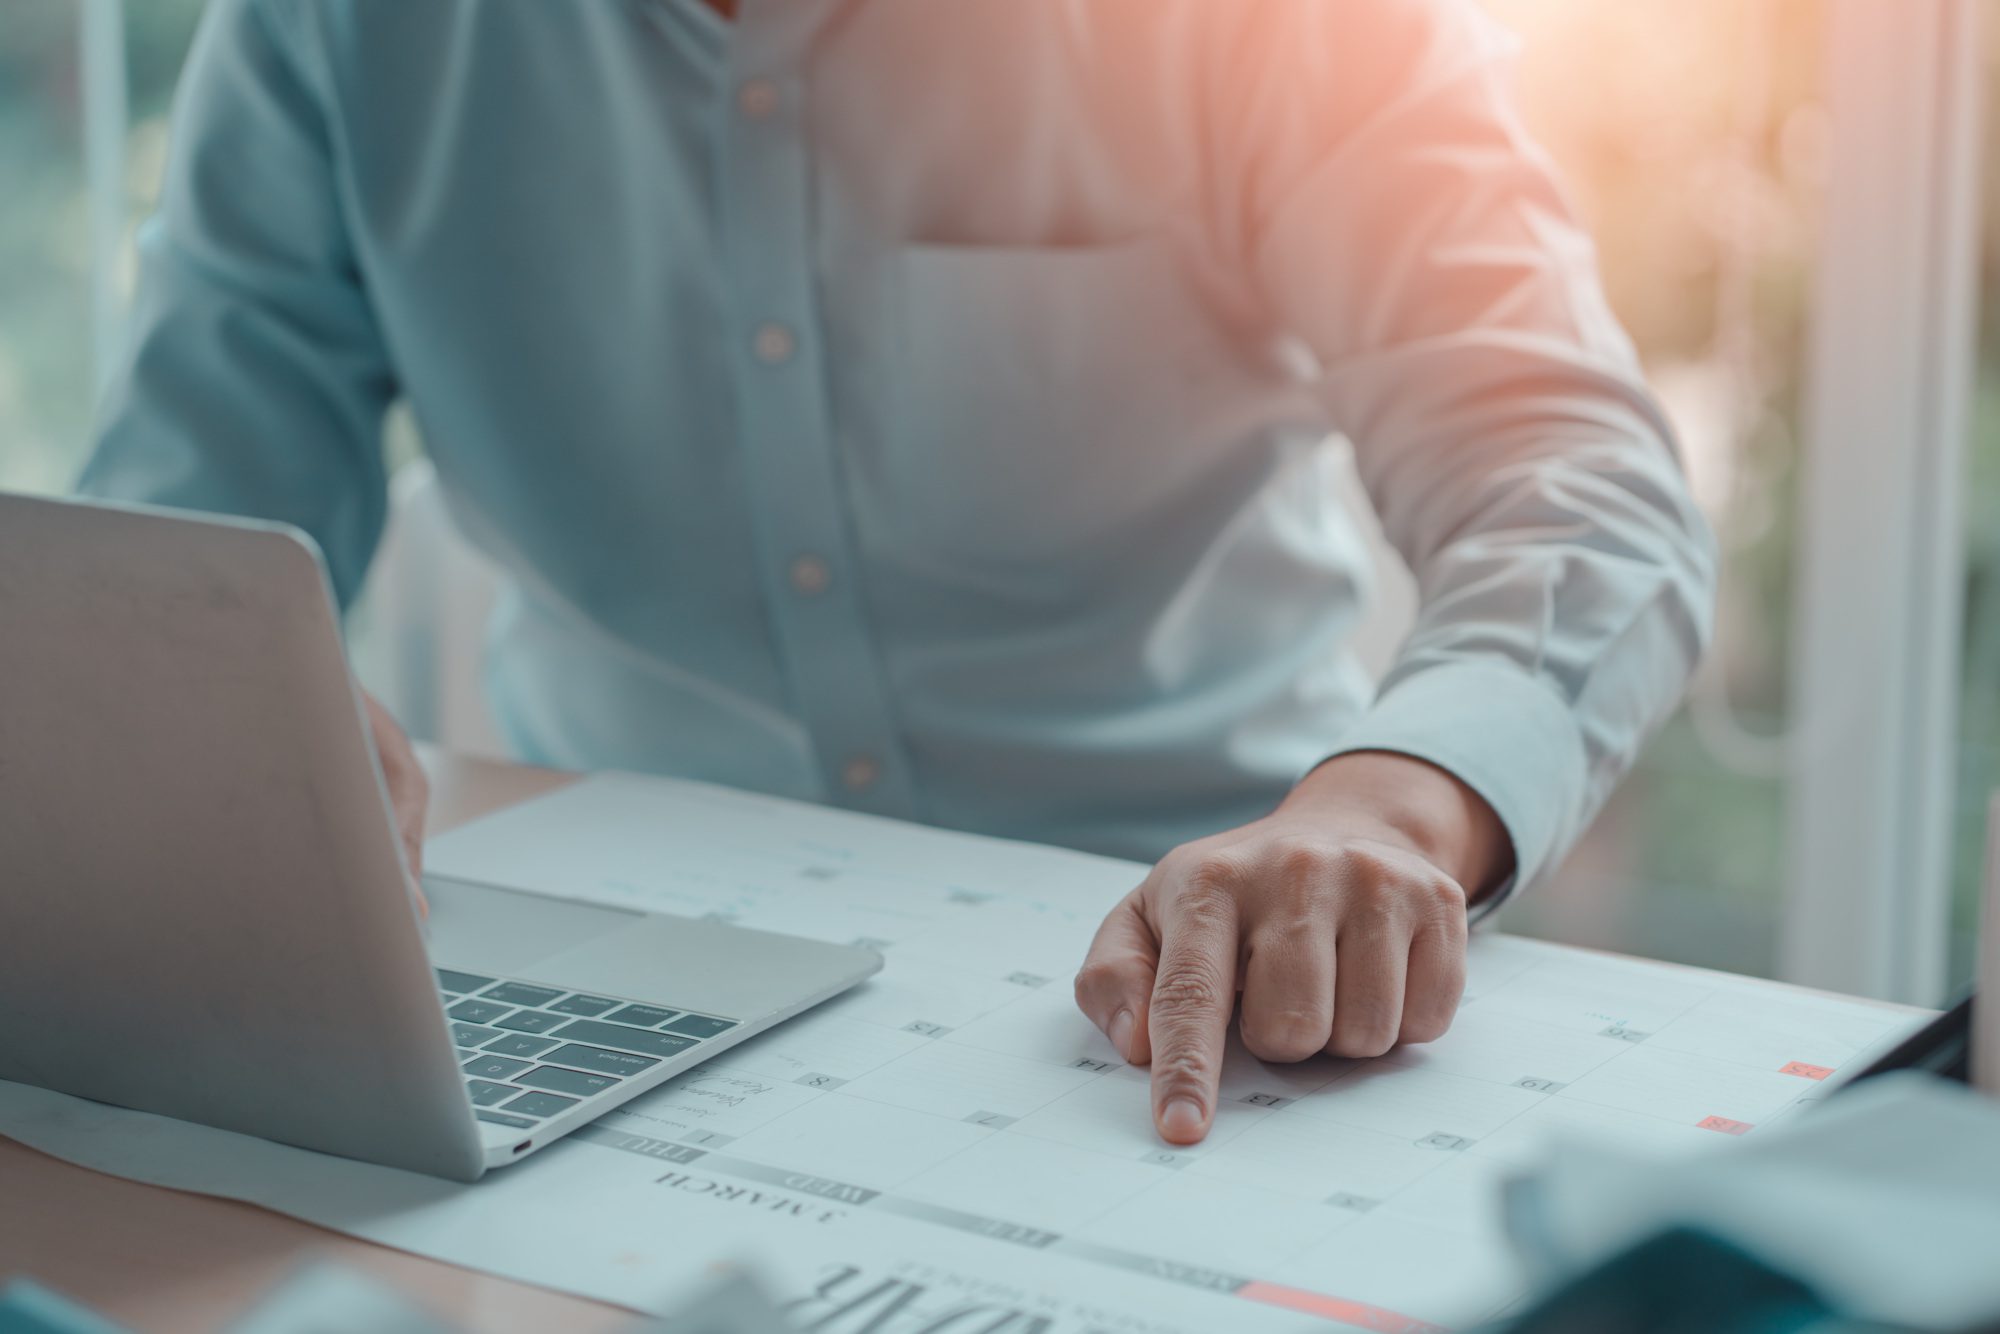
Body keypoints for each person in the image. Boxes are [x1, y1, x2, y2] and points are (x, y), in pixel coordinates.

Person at [80, 0, 1715, 1146]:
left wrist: (1388, 801)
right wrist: (211, 726)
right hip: (607, 976)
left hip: (1187, 981)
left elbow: (1575, 474)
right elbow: (183, 545)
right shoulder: (329, 24)